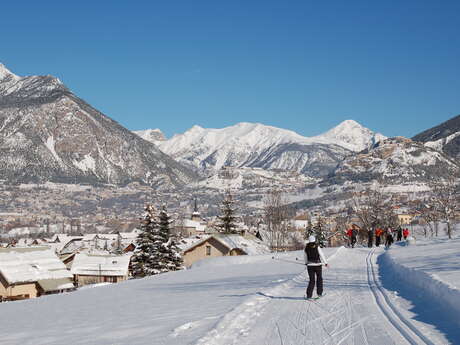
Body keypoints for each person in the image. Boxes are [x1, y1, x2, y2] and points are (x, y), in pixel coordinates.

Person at [304, 235, 328, 299]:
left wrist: (306, 263)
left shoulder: (306, 247)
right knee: (319, 279)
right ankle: (319, 293)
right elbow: (321, 254)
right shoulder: (317, 246)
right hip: (318, 265)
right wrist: (325, 263)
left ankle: (309, 295)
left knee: (312, 280)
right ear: (314, 240)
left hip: (310, 266)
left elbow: (305, 256)